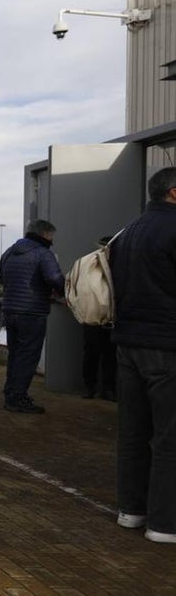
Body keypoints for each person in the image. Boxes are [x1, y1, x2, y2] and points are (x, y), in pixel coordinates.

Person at [109, 166, 176, 543]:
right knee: (170, 436)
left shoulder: (127, 232)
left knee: (134, 432)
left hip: (127, 344)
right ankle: (165, 524)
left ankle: (131, 511)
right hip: (167, 345)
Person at [0, 219, 65, 414]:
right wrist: (66, 292)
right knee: (28, 356)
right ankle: (17, 398)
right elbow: (54, 278)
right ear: (45, 234)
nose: (52, 240)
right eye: (51, 237)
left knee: (16, 354)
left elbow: (2, 277)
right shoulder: (44, 254)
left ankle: (11, 392)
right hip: (32, 311)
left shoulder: (9, 252)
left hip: (10, 309)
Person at [82, 236, 117, 401]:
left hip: (108, 317)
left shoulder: (117, 265)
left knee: (108, 354)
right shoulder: (90, 266)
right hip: (94, 315)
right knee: (94, 353)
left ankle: (105, 389)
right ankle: (93, 387)